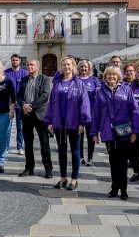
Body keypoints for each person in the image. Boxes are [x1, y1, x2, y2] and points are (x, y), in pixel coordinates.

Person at [92, 66, 139, 200]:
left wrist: (136, 131)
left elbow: (135, 111)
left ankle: (123, 190)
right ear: (105, 76)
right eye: (109, 75)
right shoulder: (100, 91)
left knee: (123, 162)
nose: (111, 77)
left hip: (124, 130)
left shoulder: (127, 90)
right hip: (108, 131)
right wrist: (94, 133)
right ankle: (114, 188)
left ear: (119, 76)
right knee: (113, 161)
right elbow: (95, 113)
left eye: (114, 75)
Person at [44, 56, 91, 191]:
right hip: (60, 123)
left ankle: (74, 179)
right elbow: (51, 103)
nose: (66, 67)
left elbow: (85, 104)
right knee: (62, 151)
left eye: (69, 65)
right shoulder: (57, 83)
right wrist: (49, 121)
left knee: (75, 151)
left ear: (73, 66)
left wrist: (83, 122)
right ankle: (63, 178)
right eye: (64, 65)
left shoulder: (79, 83)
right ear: (61, 67)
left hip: (74, 123)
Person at [17, 59, 53, 178]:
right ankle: (29, 168)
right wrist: (23, 105)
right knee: (28, 143)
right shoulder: (24, 79)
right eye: (27, 65)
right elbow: (19, 96)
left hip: (39, 114)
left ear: (37, 66)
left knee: (44, 142)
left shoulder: (44, 79)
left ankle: (48, 168)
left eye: (31, 64)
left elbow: (45, 95)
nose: (29, 66)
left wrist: (30, 106)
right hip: (26, 115)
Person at [4, 54, 28, 155]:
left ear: (19, 61)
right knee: (8, 127)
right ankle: (6, 147)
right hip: (9, 104)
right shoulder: (6, 73)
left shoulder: (24, 73)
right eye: (13, 60)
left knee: (20, 127)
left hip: (20, 104)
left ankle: (20, 147)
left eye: (17, 60)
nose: (15, 62)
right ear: (11, 61)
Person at [77, 60, 99, 167]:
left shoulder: (94, 80)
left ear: (89, 68)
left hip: (91, 113)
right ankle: (80, 156)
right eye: (81, 67)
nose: (83, 69)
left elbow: (99, 93)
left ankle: (90, 157)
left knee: (91, 136)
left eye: (85, 67)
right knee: (79, 136)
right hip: (78, 113)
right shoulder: (75, 79)